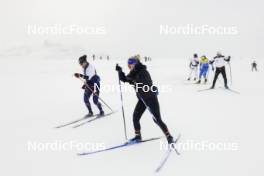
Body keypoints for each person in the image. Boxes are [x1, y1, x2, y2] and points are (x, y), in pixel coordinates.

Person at [115, 57, 174, 144]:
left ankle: (169, 136)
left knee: (156, 119)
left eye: (130, 65)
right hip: (142, 99)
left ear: (135, 64)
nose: (129, 67)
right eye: (128, 66)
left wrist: (135, 82)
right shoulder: (134, 72)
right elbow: (125, 79)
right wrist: (120, 71)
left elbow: (146, 83)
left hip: (150, 98)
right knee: (135, 117)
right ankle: (138, 136)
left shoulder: (143, 71)